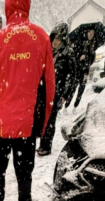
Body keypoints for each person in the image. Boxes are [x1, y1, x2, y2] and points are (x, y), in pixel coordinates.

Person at [0, 0, 55, 201]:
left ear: (7, 8)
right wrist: (43, 127)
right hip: (28, 121)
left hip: (3, 121)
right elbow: (49, 87)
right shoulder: (41, 37)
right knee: (24, 172)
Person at [38, 23, 78, 156]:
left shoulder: (68, 54)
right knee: (42, 116)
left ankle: (46, 146)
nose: (55, 42)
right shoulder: (48, 51)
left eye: (58, 39)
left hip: (57, 92)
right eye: (54, 38)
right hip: (44, 90)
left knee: (50, 119)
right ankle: (41, 142)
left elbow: (72, 77)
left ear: (63, 40)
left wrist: (65, 95)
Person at [66, 27, 97, 112]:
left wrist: (87, 57)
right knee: (73, 87)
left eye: (93, 34)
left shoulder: (93, 45)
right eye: (90, 33)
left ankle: (75, 106)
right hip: (78, 69)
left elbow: (92, 59)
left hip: (85, 71)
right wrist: (80, 57)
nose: (91, 35)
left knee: (81, 88)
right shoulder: (79, 42)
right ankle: (66, 105)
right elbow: (74, 55)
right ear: (86, 33)